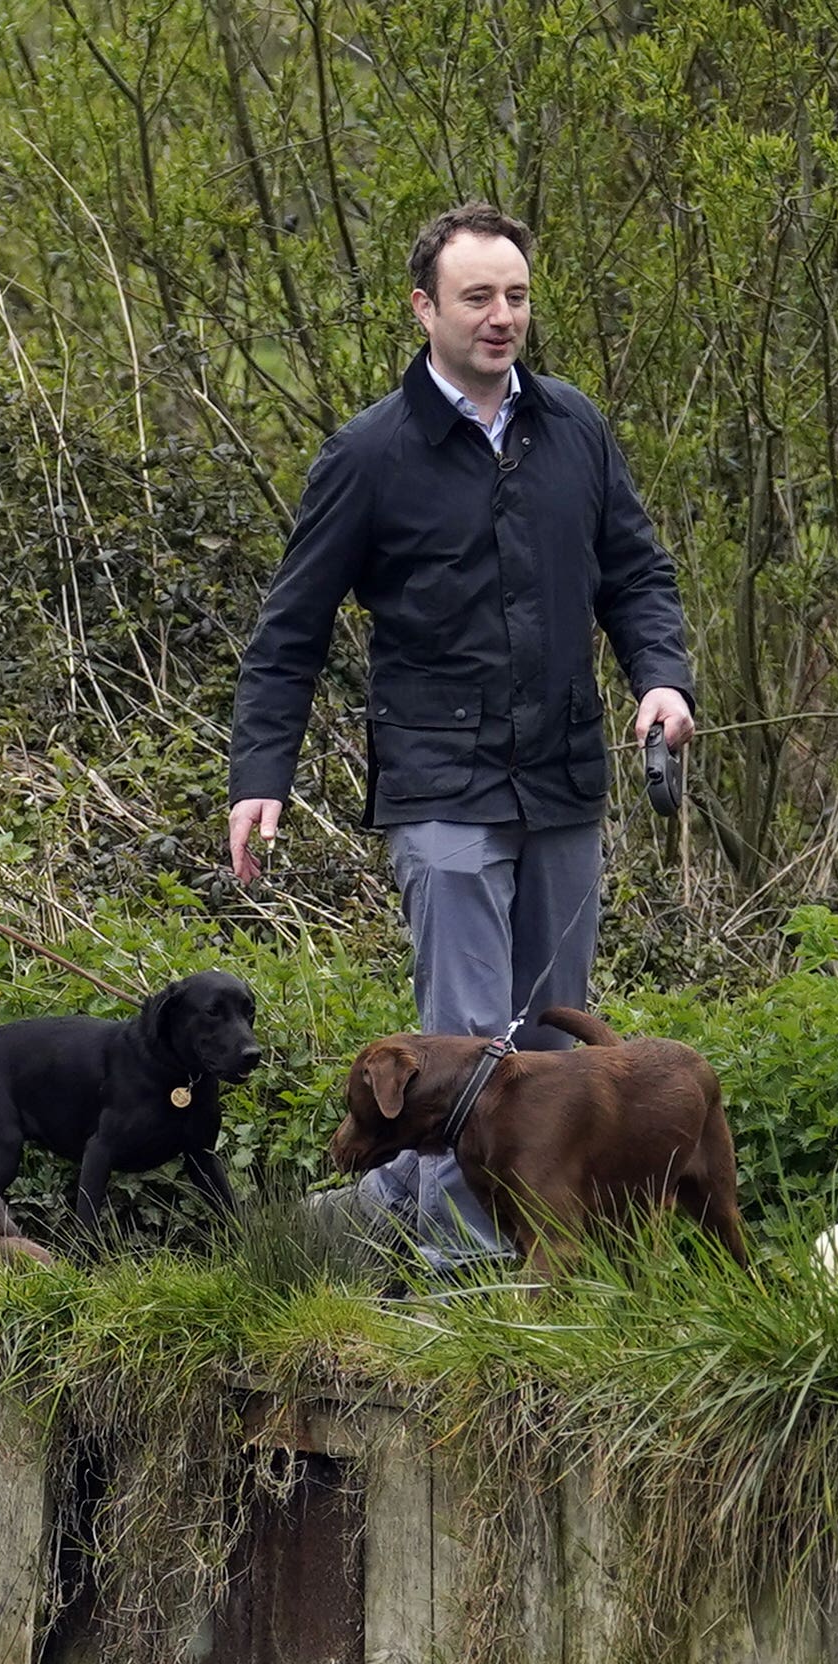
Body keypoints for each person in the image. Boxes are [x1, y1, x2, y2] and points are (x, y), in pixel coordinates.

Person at [226, 200, 695, 1262]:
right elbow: (289, 631)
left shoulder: (573, 426)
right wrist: (262, 773)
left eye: (516, 296)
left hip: (566, 778)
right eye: (477, 297)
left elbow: (638, 575)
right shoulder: (368, 454)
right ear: (423, 308)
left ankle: (441, 1245)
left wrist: (661, 680)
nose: (501, 318)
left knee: (554, 1051)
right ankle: (466, 1280)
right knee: (468, 1058)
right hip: (440, 783)